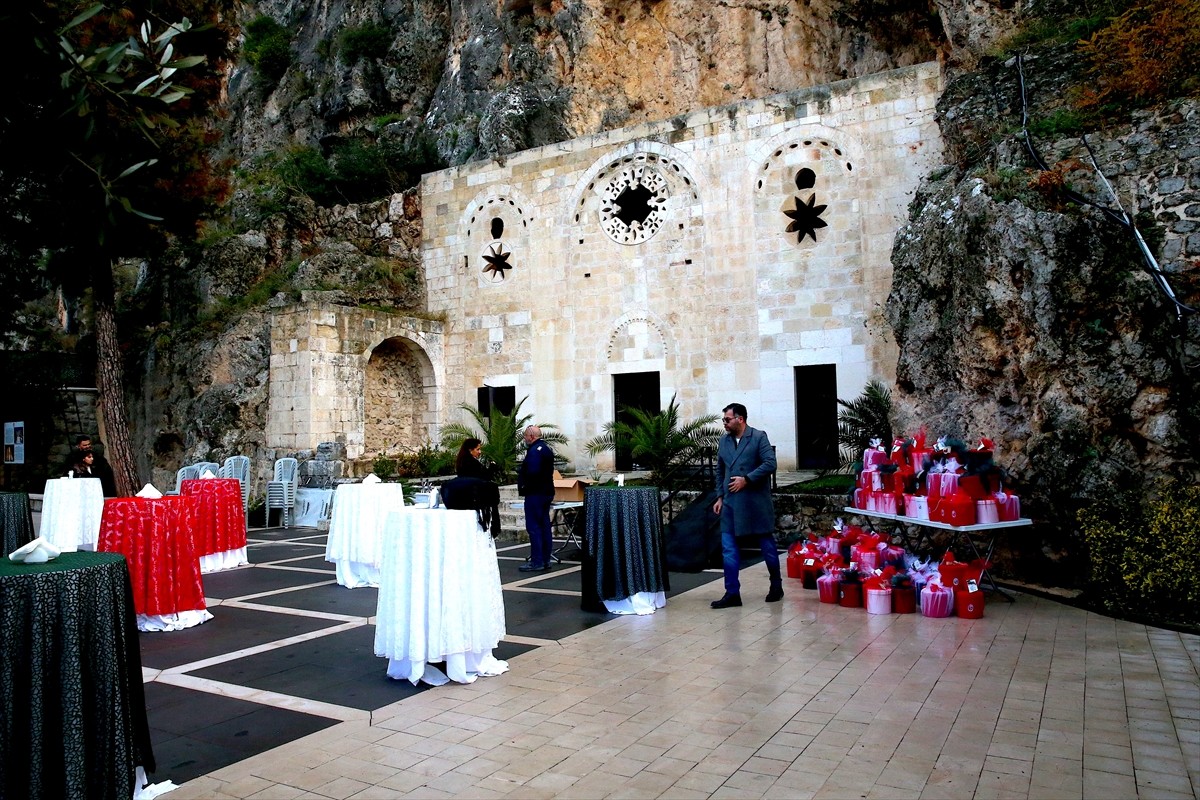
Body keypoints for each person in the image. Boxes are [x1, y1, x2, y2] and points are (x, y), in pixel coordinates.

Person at [710, 403, 783, 608]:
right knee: (728, 548)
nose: (724, 423)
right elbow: (720, 470)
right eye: (723, 419)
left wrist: (747, 479)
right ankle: (732, 592)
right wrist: (720, 496)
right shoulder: (724, 441)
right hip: (731, 503)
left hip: (755, 502)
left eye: (727, 419)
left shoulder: (758, 437)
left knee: (767, 546)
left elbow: (770, 463)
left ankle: (776, 585)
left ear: (740, 419)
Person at [517, 425, 555, 572]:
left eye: (525, 436)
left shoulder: (534, 452)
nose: (524, 439)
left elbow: (532, 472)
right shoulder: (546, 449)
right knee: (544, 525)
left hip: (535, 493)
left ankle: (537, 561)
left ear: (532, 436)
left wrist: (523, 478)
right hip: (546, 492)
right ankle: (546, 559)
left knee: (534, 527)